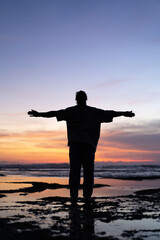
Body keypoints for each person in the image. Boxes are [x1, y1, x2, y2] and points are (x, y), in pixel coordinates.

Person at [28, 90, 135, 205]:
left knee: (76, 171)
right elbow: (111, 113)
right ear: (85, 98)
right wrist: (124, 113)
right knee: (86, 172)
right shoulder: (88, 112)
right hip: (85, 146)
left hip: (80, 146)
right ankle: (84, 197)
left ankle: (76, 197)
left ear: (76, 99)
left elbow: (54, 113)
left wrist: (39, 114)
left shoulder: (78, 111)